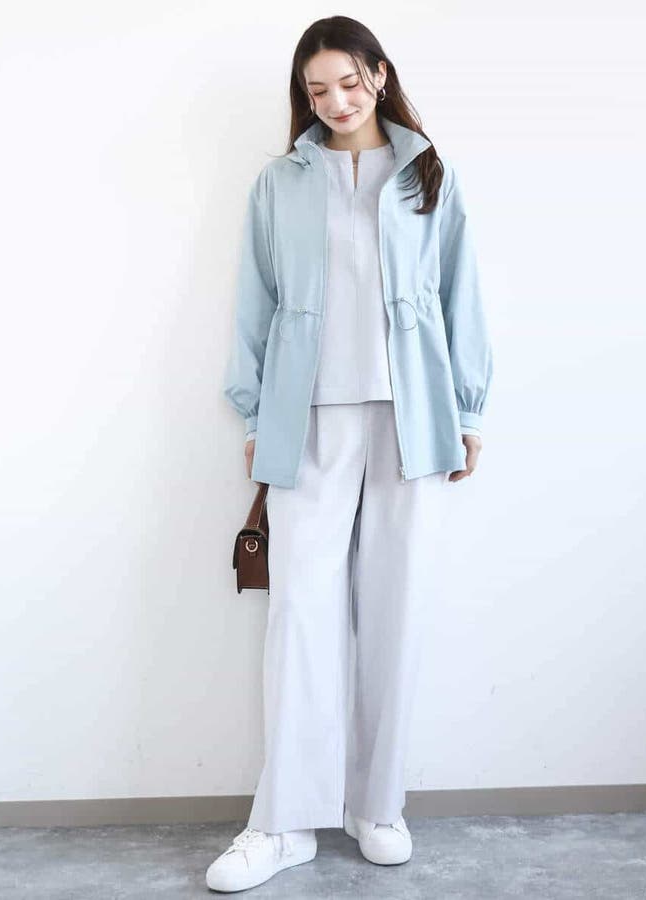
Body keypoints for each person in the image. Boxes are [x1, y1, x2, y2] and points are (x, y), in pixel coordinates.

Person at [209, 15, 493, 893]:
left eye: (346, 81)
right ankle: (284, 822)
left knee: (394, 610)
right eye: (316, 89)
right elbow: (255, 299)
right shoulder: (280, 183)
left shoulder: (429, 174)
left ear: (379, 73)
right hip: (307, 419)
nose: (334, 100)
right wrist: (254, 413)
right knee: (300, 614)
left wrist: (468, 411)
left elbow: (461, 294)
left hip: (412, 420)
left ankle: (377, 804)